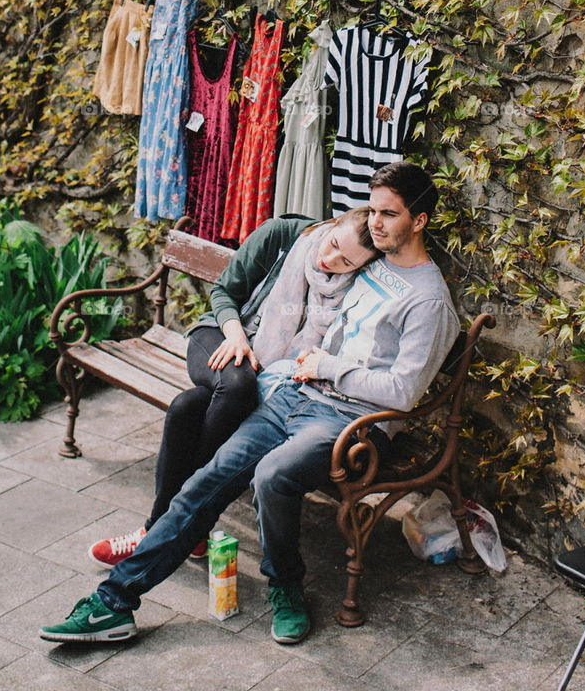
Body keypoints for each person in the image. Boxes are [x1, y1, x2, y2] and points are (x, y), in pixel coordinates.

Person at [39, 161, 458, 648]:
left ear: (420, 221)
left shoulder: (429, 302)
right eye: (374, 210)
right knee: (207, 477)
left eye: (389, 214)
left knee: (270, 474)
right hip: (293, 394)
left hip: (349, 423)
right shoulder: (373, 260)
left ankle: (285, 586)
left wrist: (326, 367)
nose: (375, 222)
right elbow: (317, 253)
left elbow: (405, 392)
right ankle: (113, 604)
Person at [89, 206, 377, 566]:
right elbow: (224, 291)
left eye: (346, 262)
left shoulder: (357, 288)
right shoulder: (283, 235)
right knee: (238, 386)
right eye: (333, 244)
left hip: (271, 372)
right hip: (220, 335)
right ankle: (187, 519)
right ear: (332, 225)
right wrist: (237, 335)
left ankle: (163, 531)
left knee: (187, 408)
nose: (330, 259)